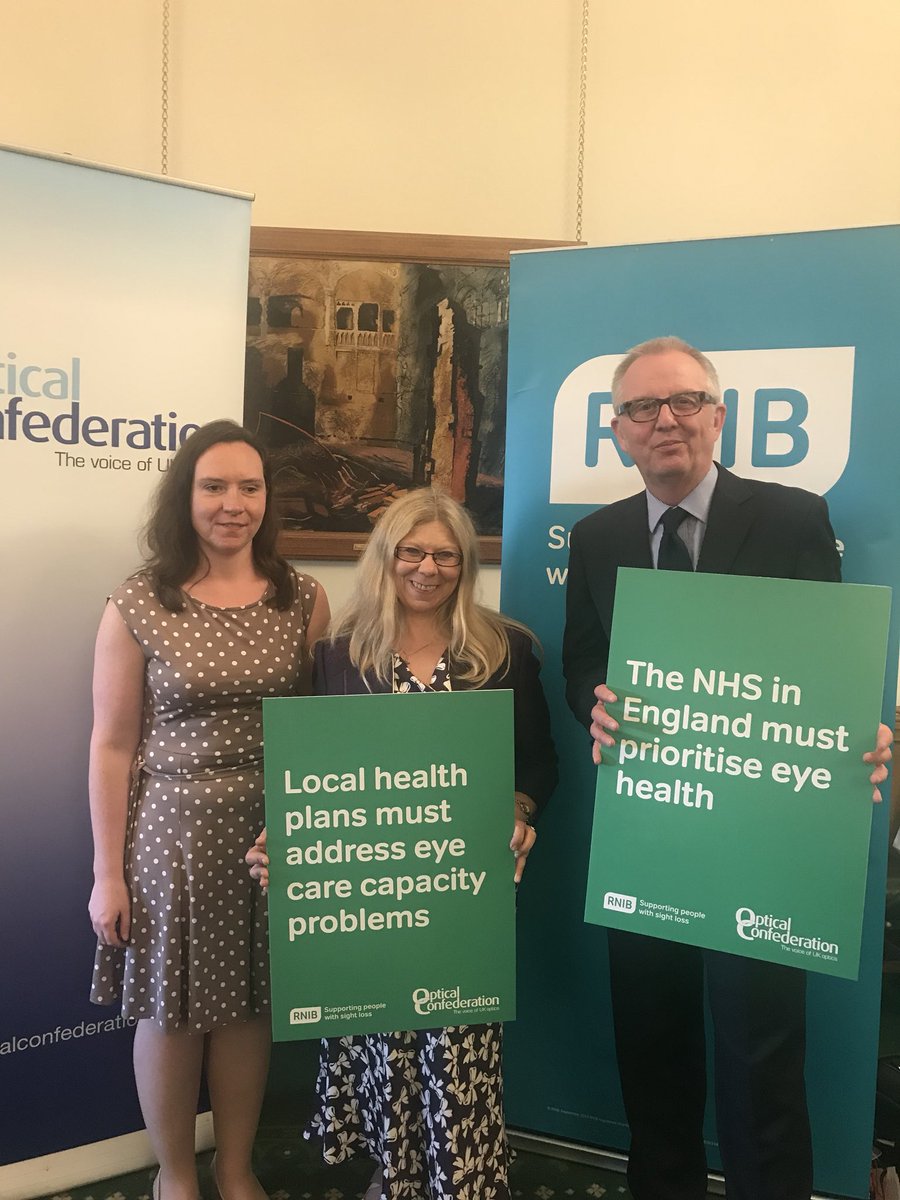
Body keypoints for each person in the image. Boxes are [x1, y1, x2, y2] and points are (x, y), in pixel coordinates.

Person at [562, 335, 893, 1200]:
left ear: (717, 414)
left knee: (762, 1055)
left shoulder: (791, 516)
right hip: (649, 831)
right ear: (619, 430)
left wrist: (858, 726)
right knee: (653, 1042)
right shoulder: (597, 538)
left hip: (759, 840)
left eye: (681, 402)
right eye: (641, 408)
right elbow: (578, 664)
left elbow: (827, 667)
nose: (663, 421)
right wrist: (595, 699)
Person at [247, 486, 558, 1200]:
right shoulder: (338, 653)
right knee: (378, 1042)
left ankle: (464, 1180)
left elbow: (541, 760)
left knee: (457, 1046)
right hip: (370, 893)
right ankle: (390, 1177)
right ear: (385, 559)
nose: (427, 568)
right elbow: (314, 772)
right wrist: (289, 839)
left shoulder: (505, 651)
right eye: (411, 552)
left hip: (463, 890)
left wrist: (518, 805)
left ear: (464, 565)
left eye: (445, 555)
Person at [88, 419, 330, 1200]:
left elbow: (317, 732)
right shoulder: (139, 599)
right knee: (170, 1014)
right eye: (215, 486)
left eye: (250, 487)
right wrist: (107, 876)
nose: (234, 504)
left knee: (249, 1012)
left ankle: (235, 1169)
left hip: (270, 837)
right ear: (184, 496)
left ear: (267, 498)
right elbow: (112, 747)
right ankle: (176, 1177)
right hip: (172, 837)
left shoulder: (304, 598)